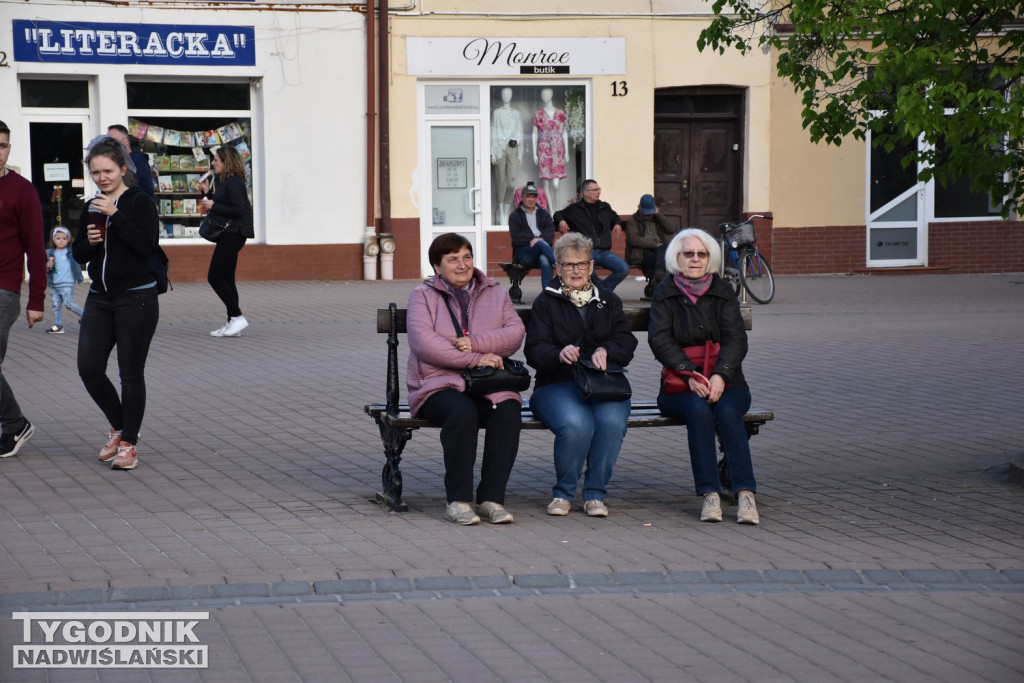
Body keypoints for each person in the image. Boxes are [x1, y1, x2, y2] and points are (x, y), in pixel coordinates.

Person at [407, 233, 526, 525]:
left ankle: (491, 500)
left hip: (488, 381)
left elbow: (514, 333)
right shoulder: (423, 296)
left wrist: (474, 342)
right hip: (438, 383)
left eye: (467, 256)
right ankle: (458, 501)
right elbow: (424, 342)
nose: (462, 265)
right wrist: (474, 358)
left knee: (508, 411)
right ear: (437, 267)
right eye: (453, 259)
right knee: (462, 412)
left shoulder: (494, 291)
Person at [648, 228, 760, 525]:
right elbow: (659, 340)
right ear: (678, 257)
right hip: (680, 385)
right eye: (689, 254)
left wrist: (721, 376)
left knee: (725, 409)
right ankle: (710, 493)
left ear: (710, 258)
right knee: (698, 410)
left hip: (729, 381)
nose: (695, 259)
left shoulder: (722, 290)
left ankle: (745, 493)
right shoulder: (665, 291)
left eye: (702, 254)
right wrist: (691, 374)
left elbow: (736, 339)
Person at [525, 233, 637, 518]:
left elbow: (626, 340)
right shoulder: (545, 302)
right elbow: (534, 350)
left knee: (611, 421)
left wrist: (606, 350)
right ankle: (563, 493)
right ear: (557, 268)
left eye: (582, 264)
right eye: (568, 265)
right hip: (556, 383)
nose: (576, 270)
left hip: (602, 382)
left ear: (591, 266)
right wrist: (558, 354)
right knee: (577, 423)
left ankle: (595, 494)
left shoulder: (608, 300)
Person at [72, 136, 160, 471]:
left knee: (130, 374)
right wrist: (90, 243)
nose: (102, 177)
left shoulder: (138, 201)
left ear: (123, 168)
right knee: (89, 367)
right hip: (100, 297)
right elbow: (79, 253)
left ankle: (129, 444)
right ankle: (119, 425)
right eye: (95, 172)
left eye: (108, 170)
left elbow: (146, 246)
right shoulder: (92, 204)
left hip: (136, 297)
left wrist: (116, 216)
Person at [0, 119, 44, 458]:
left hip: (4, 289)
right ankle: (13, 423)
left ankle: (15, 425)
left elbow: (36, 248)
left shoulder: (22, 190)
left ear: (9, 149)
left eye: (2, 145)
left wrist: (37, 299)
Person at [199, 146, 254, 337]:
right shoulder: (225, 182)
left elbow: (238, 210)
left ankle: (238, 317)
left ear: (226, 162)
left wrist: (214, 204)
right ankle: (233, 322)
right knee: (228, 278)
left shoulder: (235, 183)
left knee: (214, 277)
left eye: (216, 160)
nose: (213, 163)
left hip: (234, 234)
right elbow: (222, 206)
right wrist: (208, 194)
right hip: (229, 233)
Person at [553, 179, 630, 292]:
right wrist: (561, 221)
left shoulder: (605, 207)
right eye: (595, 190)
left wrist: (618, 223)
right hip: (586, 252)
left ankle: (602, 290)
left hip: (605, 252)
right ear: (586, 192)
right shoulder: (575, 209)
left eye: (599, 189)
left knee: (623, 269)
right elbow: (557, 214)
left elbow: (614, 217)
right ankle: (602, 292)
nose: (598, 192)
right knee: (588, 271)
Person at [508, 182, 557, 290]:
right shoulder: (515, 215)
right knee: (540, 244)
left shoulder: (544, 213)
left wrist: (540, 239)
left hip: (542, 251)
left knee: (544, 258)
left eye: (533, 196)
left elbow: (550, 230)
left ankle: (547, 294)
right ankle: (562, 266)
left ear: (536, 198)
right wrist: (533, 239)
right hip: (524, 253)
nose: (531, 199)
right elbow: (516, 236)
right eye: (528, 196)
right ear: (522, 197)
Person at [625, 193, 676, 292]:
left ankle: (655, 281)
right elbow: (633, 239)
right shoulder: (633, 220)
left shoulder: (657, 218)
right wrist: (654, 244)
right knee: (657, 258)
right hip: (641, 251)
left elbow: (671, 229)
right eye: (647, 212)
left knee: (666, 251)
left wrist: (659, 215)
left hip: (659, 250)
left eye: (651, 212)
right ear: (640, 208)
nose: (649, 215)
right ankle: (656, 281)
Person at [491, 87, 523, 223]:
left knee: (511, 181)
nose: (506, 96)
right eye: (504, 93)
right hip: (499, 148)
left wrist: (520, 153)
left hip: (512, 148)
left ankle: (504, 209)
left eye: (509, 93)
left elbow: (520, 131)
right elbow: (492, 132)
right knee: (500, 181)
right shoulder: (497, 113)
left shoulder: (516, 114)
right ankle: (501, 214)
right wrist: (492, 152)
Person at [532, 87, 568, 206]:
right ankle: (552, 212)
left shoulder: (560, 113)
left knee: (556, 184)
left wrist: (567, 152)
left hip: (558, 148)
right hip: (544, 147)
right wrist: (534, 153)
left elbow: (564, 132)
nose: (545, 96)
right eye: (543, 94)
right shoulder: (538, 114)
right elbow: (534, 133)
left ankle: (558, 211)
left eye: (547, 93)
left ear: (552, 95)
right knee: (546, 182)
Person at [45, 226, 84, 334]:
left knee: (69, 304)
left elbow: (77, 264)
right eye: (58, 238)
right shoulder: (49, 253)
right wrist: (47, 265)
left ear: (69, 239)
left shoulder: (70, 252)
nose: (61, 241)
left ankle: (87, 317)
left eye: (64, 238)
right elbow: (45, 267)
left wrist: (79, 277)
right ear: (53, 239)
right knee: (55, 306)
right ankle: (58, 326)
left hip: (66, 283)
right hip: (54, 284)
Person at [107, 124, 154, 199]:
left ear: (125, 141)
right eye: (108, 141)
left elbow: (147, 190)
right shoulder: (114, 160)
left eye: (113, 141)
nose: (110, 145)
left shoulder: (139, 161)